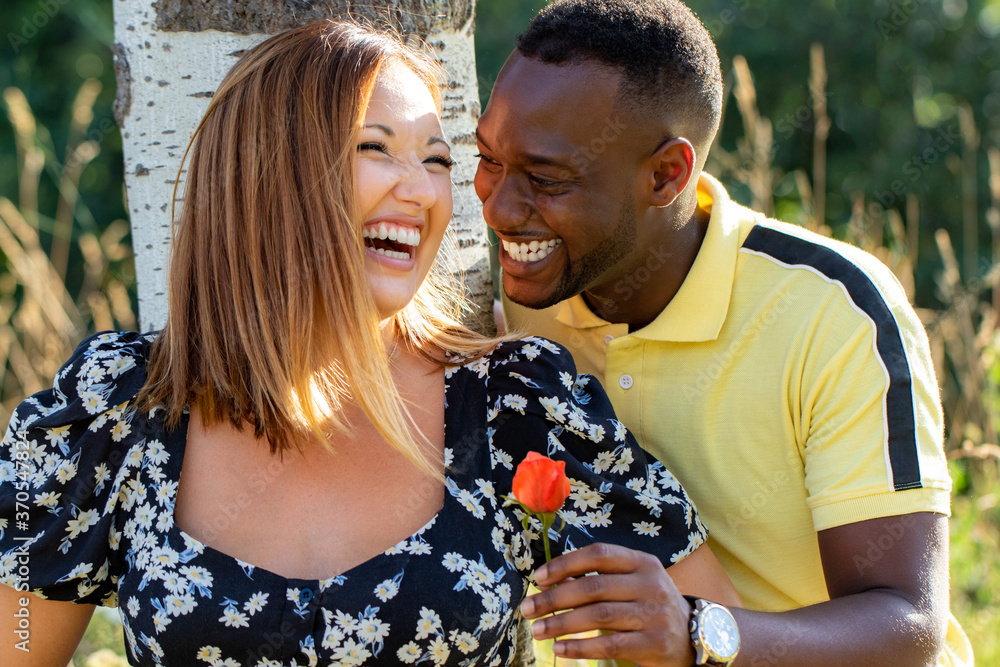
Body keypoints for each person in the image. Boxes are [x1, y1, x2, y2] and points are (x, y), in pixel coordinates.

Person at [0, 19, 739, 667]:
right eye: (377, 148)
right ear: (268, 175)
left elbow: (716, 632)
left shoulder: (519, 401)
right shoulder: (115, 404)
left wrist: (696, 639)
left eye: (438, 159)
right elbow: (17, 633)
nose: (422, 192)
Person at [476, 0, 973, 665]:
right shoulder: (505, 303)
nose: (500, 207)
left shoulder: (834, 312)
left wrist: (698, 631)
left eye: (547, 179)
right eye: (487, 160)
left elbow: (907, 626)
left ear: (666, 175)